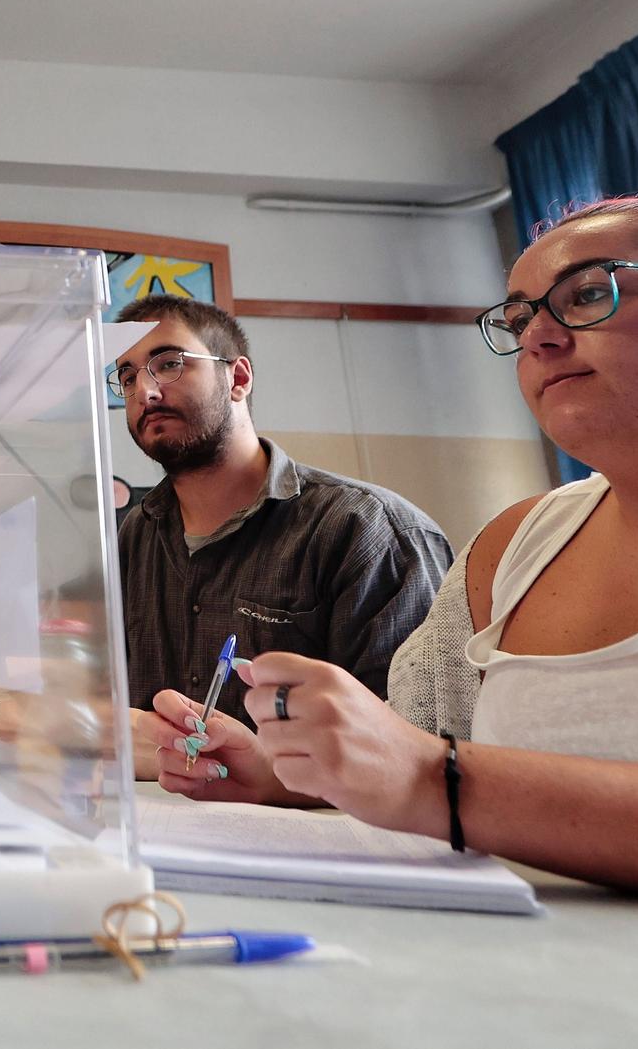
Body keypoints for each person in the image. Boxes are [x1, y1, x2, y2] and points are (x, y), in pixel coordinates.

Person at [145, 197, 638, 919]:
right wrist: (284, 774)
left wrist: (441, 782)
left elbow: (439, 778)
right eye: (521, 318)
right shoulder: (514, 546)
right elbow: (410, 758)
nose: (538, 339)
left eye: (588, 293)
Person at [112, 295, 452, 773]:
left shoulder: (368, 530)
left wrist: (268, 771)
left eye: (168, 364)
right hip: (166, 831)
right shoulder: (136, 537)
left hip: (329, 838)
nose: (144, 392)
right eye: (127, 377)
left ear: (239, 378)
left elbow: (422, 753)